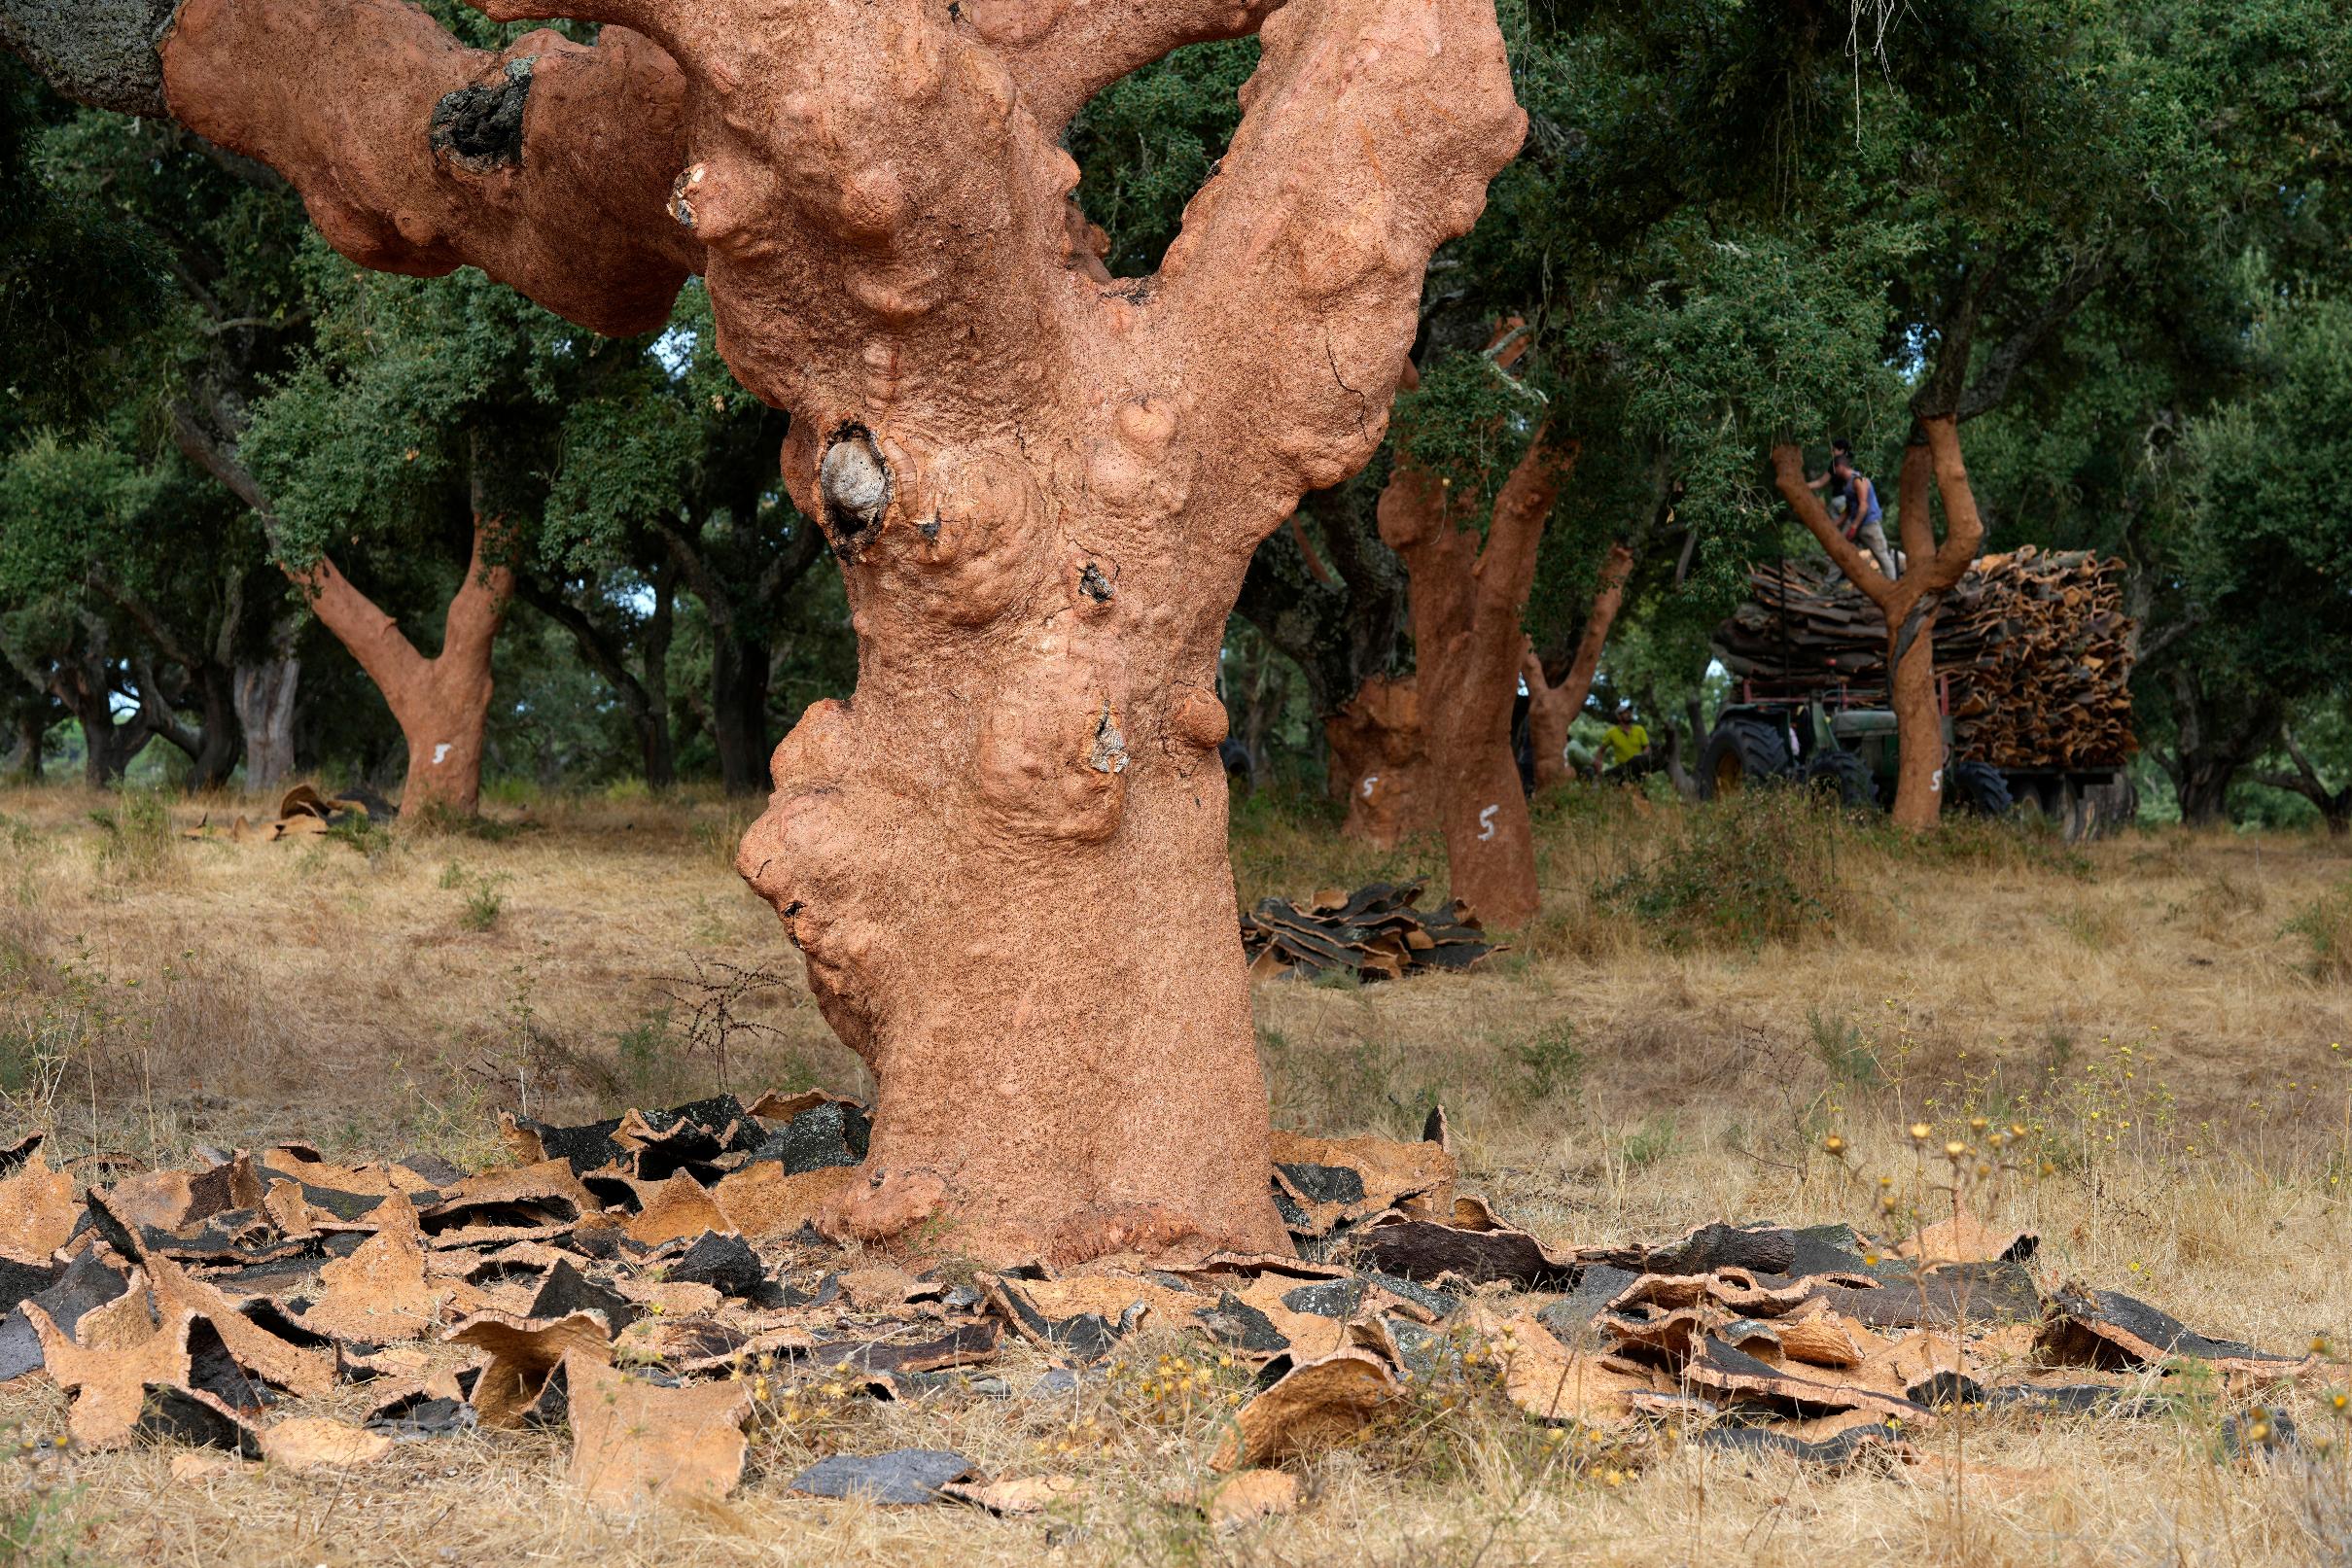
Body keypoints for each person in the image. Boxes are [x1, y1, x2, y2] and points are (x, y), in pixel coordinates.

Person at [1828, 450, 1897, 578]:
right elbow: (1848, 509)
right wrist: (1834, 524)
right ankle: (1829, 583)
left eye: (1834, 469)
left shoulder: (1858, 479)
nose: (1834, 473)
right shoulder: (1846, 483)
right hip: (1854, 522)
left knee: (1882, 556)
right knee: (1839, 550)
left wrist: (1853, 527)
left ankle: (1894, 585)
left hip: (1869, 524)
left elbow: (1863, 506)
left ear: (1840, 467)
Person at [1598, 702, 1654, 782]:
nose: (1629, 714)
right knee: (1605, 778)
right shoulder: (1612, 732)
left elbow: (1647, 747)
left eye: (1629, 712)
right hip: (1621, 770)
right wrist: (1598, 764)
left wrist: (1642, 757)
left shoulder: (1640, 729)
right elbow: (1601, 750)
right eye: (1625, 712)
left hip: (1638, 770)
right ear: (1619, 716)